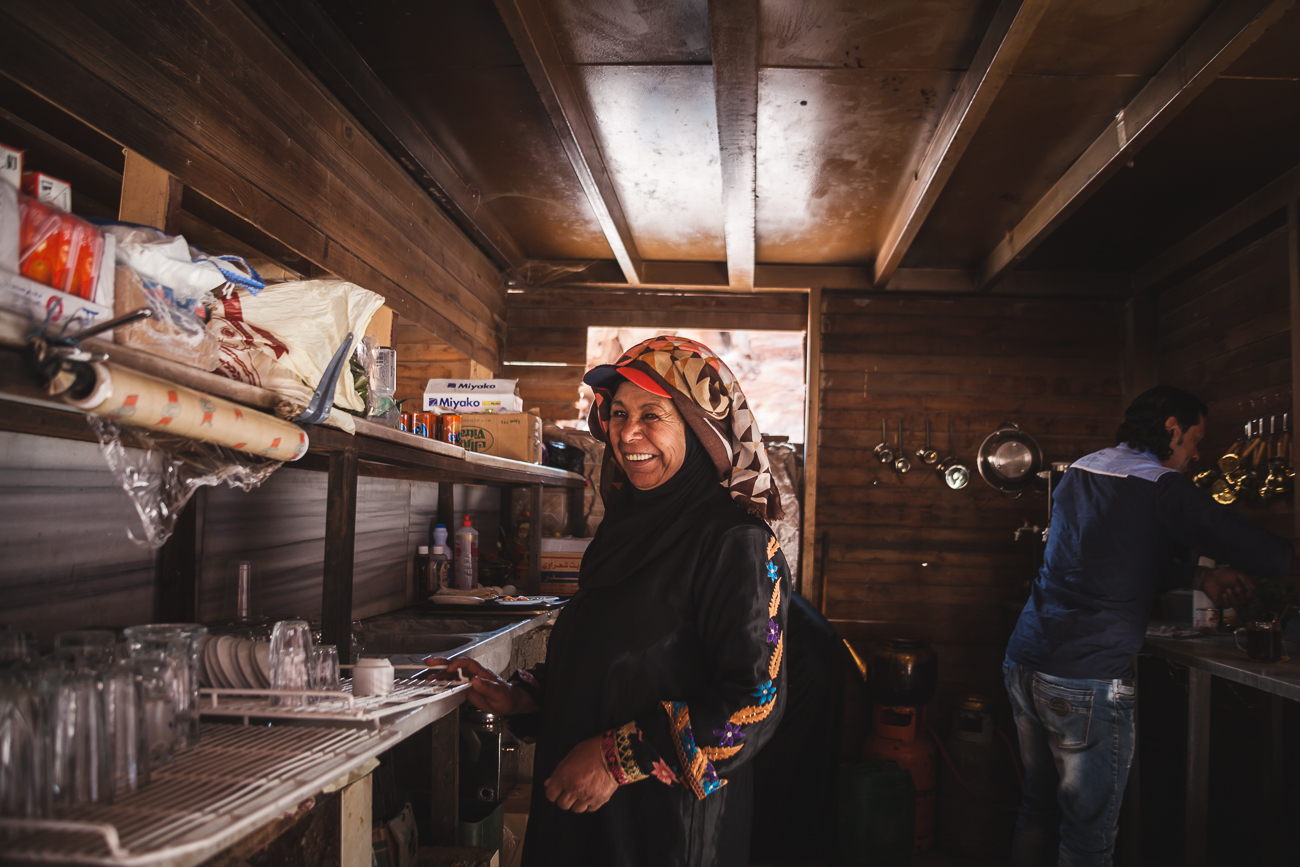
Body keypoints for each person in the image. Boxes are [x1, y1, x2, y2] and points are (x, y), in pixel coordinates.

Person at [432, 336, 792, 867]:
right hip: (584, 821)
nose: (627, 432)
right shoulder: (627, 531)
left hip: (664, 832)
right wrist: (521, 696)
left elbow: (752, 704)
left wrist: (615, 759)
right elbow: (614, 658)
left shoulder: (733, 542)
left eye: (653, 414)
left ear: (701, 431)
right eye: (619, 413)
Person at [1003, 385, 1293, 866]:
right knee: (1087, 834)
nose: (1196, 453)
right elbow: (1244, 541)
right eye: (1195, 439)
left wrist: (1202, 575)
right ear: (1171, 429)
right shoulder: (1160, 484)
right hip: (1087, 677)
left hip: (1027, 660)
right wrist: (1289, 555)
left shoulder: (1083, 469)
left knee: (1038, 808)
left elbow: (1114, 558)